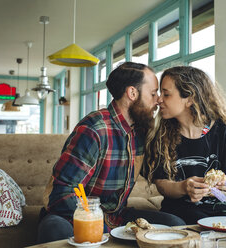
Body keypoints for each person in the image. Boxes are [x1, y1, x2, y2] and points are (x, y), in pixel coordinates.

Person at [37, 62, 185, 244]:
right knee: (54, 228)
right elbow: (61, 195)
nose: (158, 100)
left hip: (118, 217)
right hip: (77, 216)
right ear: (132, 93)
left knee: (175, 223)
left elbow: (155, 173)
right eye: (153, 94)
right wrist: (104, 228)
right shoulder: (94, 129)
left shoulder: (140, 131)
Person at [143, 66, 226, 225]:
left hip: (222, 213)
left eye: (166, 94)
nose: (159, 100)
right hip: (180, 214)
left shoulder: (224, 134)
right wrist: (184, 187)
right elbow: (161, 184)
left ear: (190, 99)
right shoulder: (162, 135)